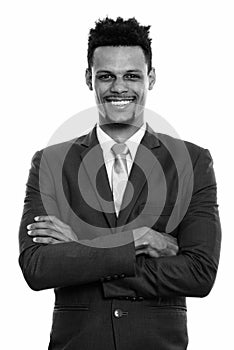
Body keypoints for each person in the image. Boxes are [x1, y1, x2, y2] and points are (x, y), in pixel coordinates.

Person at [18, 17, 221, 350]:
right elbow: (37, 267)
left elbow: (199, 273)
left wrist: (80, 246)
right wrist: (138, 242)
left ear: (150, 78)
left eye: (131, 75)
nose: (119, 88)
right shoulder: (50, 163)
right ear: (89, 79)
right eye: (106, 76)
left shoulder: (192, 162)